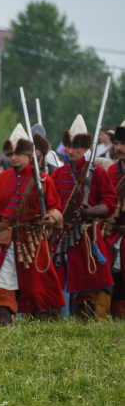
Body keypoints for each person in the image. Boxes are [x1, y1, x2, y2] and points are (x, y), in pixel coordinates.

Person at [0, 124, 64, 324]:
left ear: (29, 154)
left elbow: (56, 208)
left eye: (19, 153)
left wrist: (51, 217)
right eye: (11, 153)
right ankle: (4, 326)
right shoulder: (1, 179)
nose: (14, 157)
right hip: (4, 240)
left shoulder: (43, 180)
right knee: (2, 282)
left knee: (38, 285)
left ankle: (42, 322)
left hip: (32, 239)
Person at [50, 115, 118, 318]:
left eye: (76, 147)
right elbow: (50, 202)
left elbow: (110, 202)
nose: (71, 151)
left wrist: (94, 210)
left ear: (85, 148)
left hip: (86, 235)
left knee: (87, 286)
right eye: (68, 146)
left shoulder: (97, 173)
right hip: (60, 235)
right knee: (57, 282)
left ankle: (86, 321)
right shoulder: (58, 174)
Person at [104, 119, 125, 318]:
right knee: (114, 279)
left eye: (122, 144)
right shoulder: (111, 171)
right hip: (112, 234)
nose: (118, 148)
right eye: (116, 143)